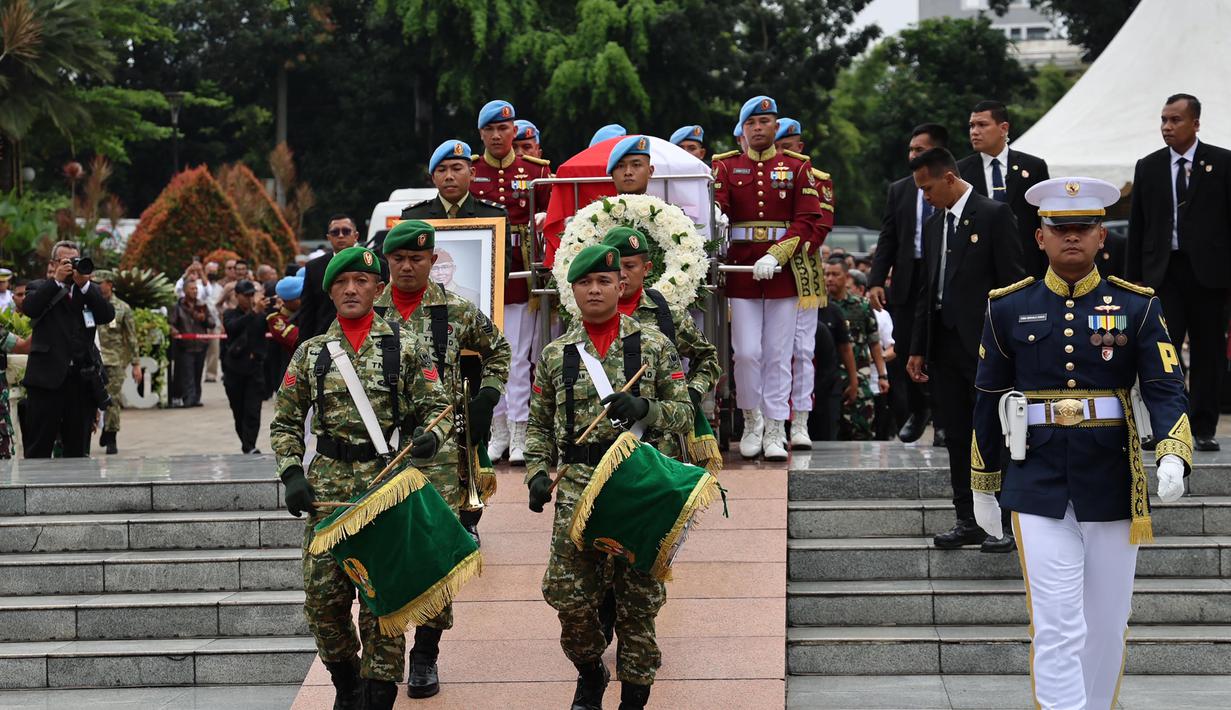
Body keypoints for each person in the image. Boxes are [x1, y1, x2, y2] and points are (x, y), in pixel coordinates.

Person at [971, 177, 1191, 709]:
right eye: (1059, 228)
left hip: (1111, 480)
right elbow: (986, 397)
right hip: (1036, 477)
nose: (1072, 237)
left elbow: (1165, 387)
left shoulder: (1138, 307)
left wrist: (1172, 453)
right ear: (1039, 237)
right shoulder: (1007, 307)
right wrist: (983, 482)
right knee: (1057, 623)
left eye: (1083, 228)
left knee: (1106, 624)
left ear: (1101, 237)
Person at [270, 245, 451, 709]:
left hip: (385, 483)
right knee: (323, 603)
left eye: (361, 282)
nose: (351, 289)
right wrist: (292, 471)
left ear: (378, 287)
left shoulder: (405, 345)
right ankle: (346, 683)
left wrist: (429, 436)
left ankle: (378, 694)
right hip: (328, 490)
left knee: (383, 607)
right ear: (330, 292)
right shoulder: (312, 353)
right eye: (342, 283)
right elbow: (286, 421)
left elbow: (438, 407)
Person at [525, 244, 692, 710]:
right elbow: (538, 423)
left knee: (638, 602)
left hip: (640, 483)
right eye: (584, 283)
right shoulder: (558, 354)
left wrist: (648, 408)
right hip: (579, 482)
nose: (594, 290)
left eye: (604, 281)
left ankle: (634, 698)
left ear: (622, 286)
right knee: (565, 593)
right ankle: (590, 670)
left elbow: (685, 413)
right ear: (572, 291)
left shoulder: (655, 346)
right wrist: (537, 472)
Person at [905, 147, 1026, 552]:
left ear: (950, 178)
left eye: (928, 187)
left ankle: (1007, 521)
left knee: (996, 431)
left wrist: (1011, 344)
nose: (925, 196)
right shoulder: (936, 222)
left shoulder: (993, 214)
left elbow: (1013, 282)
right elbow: (929, 289)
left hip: (986, 346)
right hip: (943, 345)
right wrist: (918, 347)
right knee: (955, 434)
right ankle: (968, 517)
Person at [376, 219, 511, 551]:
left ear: (432, 261)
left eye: (417, 258)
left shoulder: (457, 309)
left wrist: (488, 395)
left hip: (440, 436)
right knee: (390, 536)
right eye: (398, 259)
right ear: (388, 260)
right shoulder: (371, 310)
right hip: (381, 435)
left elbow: (499, 350)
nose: (407, 266)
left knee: (439, 535)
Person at [713, 95, 824, 460]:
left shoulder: (797, 166)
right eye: (751, 124)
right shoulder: (727, 167)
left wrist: (777, 254)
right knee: (746, 353)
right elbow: (720, 207)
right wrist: (717, 218)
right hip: (742, 269)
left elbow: (807, 219)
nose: (758, 128)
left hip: (782, 271)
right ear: (743, 130)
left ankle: (776, 427)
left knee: (779, 354)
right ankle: (751, 420)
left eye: (765, 122)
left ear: (775, 126)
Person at [1126, 93, 1231, 452]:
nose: (1167, 127)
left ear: (1195, 123)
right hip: (1162, 273)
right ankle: (1167, 423)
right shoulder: (1149, 165)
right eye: (1164, 120)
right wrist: (1133, 278)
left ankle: (1203, 427)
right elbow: (1137, 225)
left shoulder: (1222, 162)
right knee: (1161, 352)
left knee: (1208, 352)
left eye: (1175, 120)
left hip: (1209, 275)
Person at [470, 102, 552, 466]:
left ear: (514, 131)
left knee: (518, 357)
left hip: (521, 276)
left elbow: (554, 220)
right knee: (489, 357)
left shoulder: (535, 170)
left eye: (504, 128)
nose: (498, 135)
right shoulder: (472, 170)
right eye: (491, 129)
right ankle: (498, 429)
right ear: (482, 134)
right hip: (485, 273)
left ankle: (520, 428)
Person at [603, 226, 722, 451]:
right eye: (615, 268)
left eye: (630, 266)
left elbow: (708, 358)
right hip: (602, 439)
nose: (623, 274)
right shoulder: (592, 313)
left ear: (646, 268)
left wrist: (693, 393)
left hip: (660, 441)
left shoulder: (667, 314)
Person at [870, 123, 950, 445]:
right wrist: (876, 279)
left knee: (941, 348)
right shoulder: (900, 189)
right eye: (911, 149)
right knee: (904, 345)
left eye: (920, 150)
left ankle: (944, 419)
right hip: (907, 275)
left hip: (941, 272)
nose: (912, 155)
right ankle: (920, 409)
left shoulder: (955, 184)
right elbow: (888, 236)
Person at [772, 117, 836, 449]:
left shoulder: (817, 179)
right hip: (764, 273)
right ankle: (773, 422)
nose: (781, 152)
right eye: (777, 146)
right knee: (771, 352)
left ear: (800, 146)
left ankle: (800, 421)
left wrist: (781, 252)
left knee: (802, 350)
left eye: (787, 145)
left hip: (801, 274)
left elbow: (818, 226)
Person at [21, 240, 115, 458]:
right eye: (66, 261)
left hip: (80, 381)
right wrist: (57, 281)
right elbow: (31, 308)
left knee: (78, 449)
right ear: (54, 263)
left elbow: (107, 315)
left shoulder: (89, 290)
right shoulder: (40, 287)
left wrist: (83, 285)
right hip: (46, 380)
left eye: (76, 260)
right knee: (38, 448)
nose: (72, 266)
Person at [957, 100, 1050, 277]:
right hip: (978, 270)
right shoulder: (960, 172)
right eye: (971, 126)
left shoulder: (1033, 167)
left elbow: (1044, 221)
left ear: (1003, 128)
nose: (974, 132)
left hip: (1026, 266)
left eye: (982, 125)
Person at [824, 260, 881, 440]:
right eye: (827, 274)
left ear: (847, 277)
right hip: (830, 377)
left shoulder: (862, 306)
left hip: (859, 374)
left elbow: (874, 341)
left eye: (835, 274)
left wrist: (882, 375)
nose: (829, 279)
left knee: (862, 428)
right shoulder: (820, 307)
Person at [93, 270, 141, 455]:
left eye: (100, 283)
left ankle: (111, 436)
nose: (97, 286)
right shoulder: (88, 305)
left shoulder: (123, 308)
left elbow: (131, 337)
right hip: (91, 360)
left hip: (114, 361)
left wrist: (136, 363)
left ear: (110, 284)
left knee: (112, 400)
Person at [221, 280, 267, 454]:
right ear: (237, 296)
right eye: (245, 295)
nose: (249, 298)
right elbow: (232, 328)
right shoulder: (230, 314)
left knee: (253, 410)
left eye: (251, 295)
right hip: (234, 370)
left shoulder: (261, 314)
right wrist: (253, 313)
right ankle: (246, 443)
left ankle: (250, 445)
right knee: (238, 411)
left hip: (255, 370)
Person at [299, 215, 362, 341]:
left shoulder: (373, 263)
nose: (340, 235)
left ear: (356, 236)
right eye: (335, 232)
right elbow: (307, 312)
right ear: (329, 238)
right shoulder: (314, 267)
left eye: (346, 231)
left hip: (364, 337)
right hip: (325, 339)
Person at [810, 297, 858, 441]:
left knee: (827, 432)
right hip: (796, 385)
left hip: (828, 382)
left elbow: (845, 348)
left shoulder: (833, 312)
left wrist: (853, 381)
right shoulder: (791, 312)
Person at [168, 278, 214, 408]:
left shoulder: (202, 306)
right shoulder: (177, 307)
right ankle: (188, 398)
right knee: (186, 373)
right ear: (184, 291)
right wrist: (173, 330)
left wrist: (204, 319)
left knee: (197, 373)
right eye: (192, 289)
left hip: (200, 344)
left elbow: (212, 323)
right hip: (185, 346)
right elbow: (170, 323)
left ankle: (196, 398)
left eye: (196, 289)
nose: (194, 291)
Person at [202, 261, 224, 383]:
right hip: (200, 322)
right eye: (210, 271)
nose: (212, 273)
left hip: (215, 323)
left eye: (214, 271)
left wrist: (222, 324)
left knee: (214, 350)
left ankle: (211, 374)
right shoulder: (199, 285)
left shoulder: (220, 288)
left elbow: (221, 308)